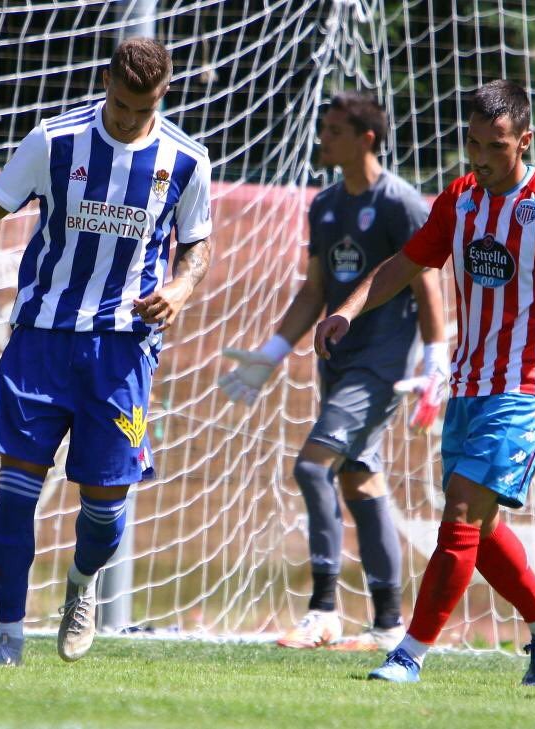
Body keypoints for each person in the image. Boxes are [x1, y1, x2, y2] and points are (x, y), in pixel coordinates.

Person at [314, 79, 535, 685]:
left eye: (496, 146)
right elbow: (405, 264)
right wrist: (348, 309)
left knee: (462, 510)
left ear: (525, 140)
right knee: (480, 526)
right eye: (473, 145)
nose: (482, 159)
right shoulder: (460, 200)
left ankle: (407, 653)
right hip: (467, 383)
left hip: (526, 386)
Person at [0, 38, 213, 666]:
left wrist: (181, 288)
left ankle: (81, 586)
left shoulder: (187, 160)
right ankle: (8, 638)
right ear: (105, 80)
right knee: (15, 490)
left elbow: (195, 244)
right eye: (119, 103)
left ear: (163, 95)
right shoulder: (54, 140)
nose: (127, 118)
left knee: (105, 508)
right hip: (42, 340)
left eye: (141, 109)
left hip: (122, 350)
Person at [218, 92, 448, 652]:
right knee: (358, 480)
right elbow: (314, 292)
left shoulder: (400, 203)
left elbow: (427, 282)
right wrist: (270, 354)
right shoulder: (323, 205)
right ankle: (389, 624)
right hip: (338, 364)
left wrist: (435, 358)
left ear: (366, 138)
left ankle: (323, 611)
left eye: (334, 130)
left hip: (380, 368)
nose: (323, 139)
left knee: (311, 466)